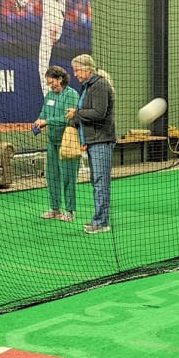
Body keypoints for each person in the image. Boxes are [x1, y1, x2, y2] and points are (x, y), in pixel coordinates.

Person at [68, 53, 115, 235]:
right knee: (96, 181)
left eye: (77, 70)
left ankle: (102, 222)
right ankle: (98, 218)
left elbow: (98, 113)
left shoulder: (100, 85)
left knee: (101, 182)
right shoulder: (87, 87)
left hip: (102, 140)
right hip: (93, 140)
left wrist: (77, 113)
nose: (75, 74)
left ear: (87, 69)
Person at [35, 64, 82, 223]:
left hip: (68, 142)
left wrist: (46, 121)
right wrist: (38, 123)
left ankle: (70, 211)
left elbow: (68, 118)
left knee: (69, 177)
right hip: (52, 142)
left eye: (52, 82)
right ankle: (55, 209)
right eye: (48, 83)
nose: (50, 86)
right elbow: (43, 113)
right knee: (52, 176)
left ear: (60, 79)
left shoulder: (72, 95)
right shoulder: (49, 96)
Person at [16, 0, 68, 94]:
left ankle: (22, 0)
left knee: (42, 65)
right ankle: (22, 0)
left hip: (53, 16)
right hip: (58, 20)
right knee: (44, 62)